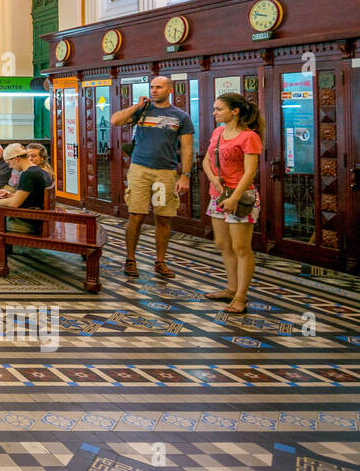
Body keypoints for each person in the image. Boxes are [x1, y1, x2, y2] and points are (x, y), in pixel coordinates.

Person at [109, 76, 194, 278]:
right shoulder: (143, 110)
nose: (154, 90)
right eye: (152, 87)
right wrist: (136, 106)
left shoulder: (180, 116)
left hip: (165, 172)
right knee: (136, 215)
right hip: (140, 170)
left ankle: (160, 261)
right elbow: (115, 120)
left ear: (169, 90)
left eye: (159, 87)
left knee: (163, 217)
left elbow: (187, 148)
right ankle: (130, 260)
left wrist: (185, 175)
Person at [201, 93, 264, 314]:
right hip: (217, 195)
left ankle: (241, 296)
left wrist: (235, 197)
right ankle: (231, 288)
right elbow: (207, 160)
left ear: (234, 111)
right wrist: (213, 178)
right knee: (223, 244)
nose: (214, 113)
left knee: (241, 248)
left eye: (219, 109)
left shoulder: (249, 137)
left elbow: (250, 171)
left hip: (241, 197)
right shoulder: (218, 132)